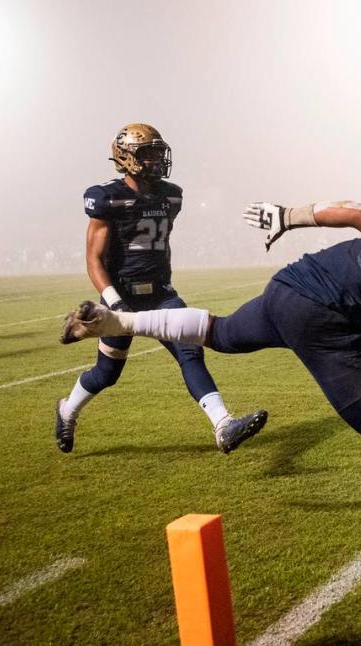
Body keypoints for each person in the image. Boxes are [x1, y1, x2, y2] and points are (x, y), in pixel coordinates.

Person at [60, 199, 361, 597]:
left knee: (223, 332)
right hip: (324, 312)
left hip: (297, 280)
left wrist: (289, 216)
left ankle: (119, 322)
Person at [53, 123, 267, 455]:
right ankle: (67, 411)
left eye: (158, 153)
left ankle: (223, 425)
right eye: (147, 154)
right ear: (125, 157)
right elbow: (93, 259)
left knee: (190, 351)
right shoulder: (107, 197)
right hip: (120, 296)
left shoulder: (171, 195)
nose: (156, 160)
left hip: (161, 293)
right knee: (107, 373)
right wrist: (114, 305)